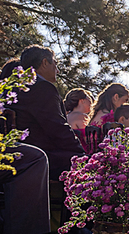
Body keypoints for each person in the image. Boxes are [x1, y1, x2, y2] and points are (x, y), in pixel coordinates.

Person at [10, 45, 86, 177]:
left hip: (17, 152)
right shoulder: (42, 87)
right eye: (55, 64)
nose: (57, 70)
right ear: (45, 62)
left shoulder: (13, 87)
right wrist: (82, 153)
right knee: (90, 165)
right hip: (41, 154)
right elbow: (57, 128)